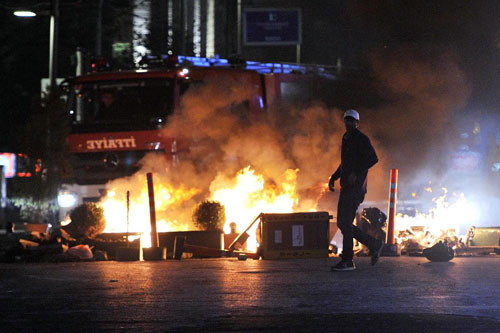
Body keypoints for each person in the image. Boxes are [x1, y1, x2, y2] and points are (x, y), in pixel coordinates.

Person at [329, 109, 384, 271]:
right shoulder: (346, 138)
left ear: (357, 123)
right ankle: (374, 244)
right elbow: (345, 162)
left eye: (352, 121)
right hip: (346, 187)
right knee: (342, 223)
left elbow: (373, 158)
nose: (349, 123)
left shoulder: (361, 139)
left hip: (355, 188)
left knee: (345, 223)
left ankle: (347, 260)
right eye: (347, 120)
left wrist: (356, 172)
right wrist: (334, 176)